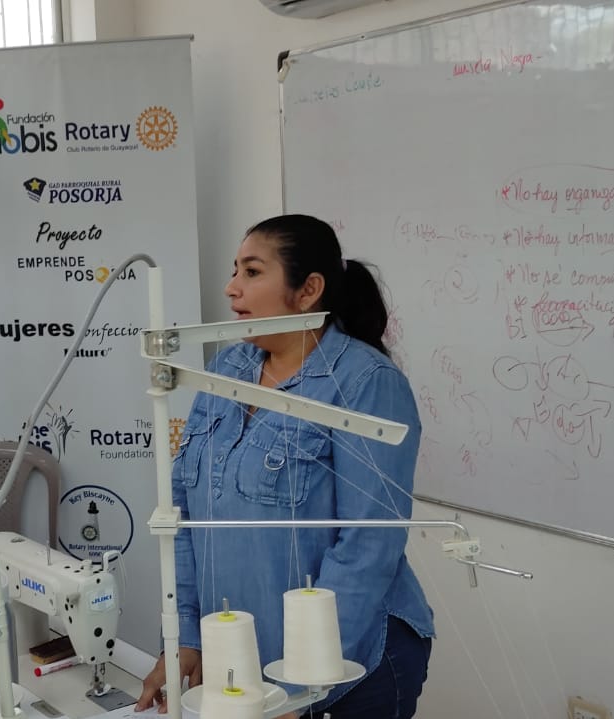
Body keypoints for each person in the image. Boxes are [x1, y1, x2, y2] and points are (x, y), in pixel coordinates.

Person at [135, 214, 434, 718]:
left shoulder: (366, 383)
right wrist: (187, 636)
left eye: (252, 272)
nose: (232, 287)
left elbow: (368, 545)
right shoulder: (227, 370)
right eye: (235, 270)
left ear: (309, 290)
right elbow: (183, 511)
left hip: (348, 666)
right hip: (247, 663)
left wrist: (301, 685)